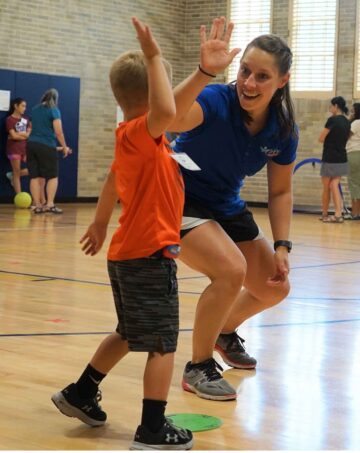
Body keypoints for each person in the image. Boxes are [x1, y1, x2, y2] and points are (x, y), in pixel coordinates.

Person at [50, 16, 232, 449]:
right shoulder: (144, 131)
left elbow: (114, 177)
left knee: (131, 331)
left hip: (128, 253)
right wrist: (192, 69)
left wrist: (97, 222)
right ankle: (152, 429)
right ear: (155, 95)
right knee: (163, 343)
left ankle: (80, 392)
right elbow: (167, 111)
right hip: (149, 255)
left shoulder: (134, 138)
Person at [168, 32, 296, 400]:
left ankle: (224, 331)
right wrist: (204, 72)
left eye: (261, 76)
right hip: (180, 198)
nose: (249, 83)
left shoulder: (283, 129)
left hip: (225, 204)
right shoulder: (214, 98)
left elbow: (280, 191)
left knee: (275, 285)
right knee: (230, 270)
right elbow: (170, 117)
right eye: (244, 71)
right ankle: (198, 367)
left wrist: (283, 245)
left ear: (282, 81)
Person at [26, 88, 72, 213]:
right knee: (52, 176)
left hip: (31, 144)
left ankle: (38, 205)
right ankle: (50, 204)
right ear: (56, 99)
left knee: (34, 176)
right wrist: (64, 147)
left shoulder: (34, 109)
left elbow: (30, 128)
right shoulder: (54, 110)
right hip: (46, 145)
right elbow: (58, 132)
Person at [317, 96, 350, 223]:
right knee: (334, 183)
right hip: (342, 157)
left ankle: (330, 214)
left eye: (331, 106)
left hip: (330, 157)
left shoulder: (332, 120)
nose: (330, 108)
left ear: (336, 106)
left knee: (327, 186)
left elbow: (321, 138)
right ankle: (336, 213)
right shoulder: (347, 122)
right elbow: (346, 138)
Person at [5, 97, 31, 195]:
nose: (25, 108)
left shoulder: (26, 119)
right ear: (16, 106)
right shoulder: (9, 120)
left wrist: (18, 135)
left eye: (25, 106)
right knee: (16, 172)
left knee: (33, 169)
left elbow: (28, 135)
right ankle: (19, 196)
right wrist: (21, 135)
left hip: (25, 149)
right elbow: (13, 136)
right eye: (23, 106)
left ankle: (12, 176)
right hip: (13, 149)